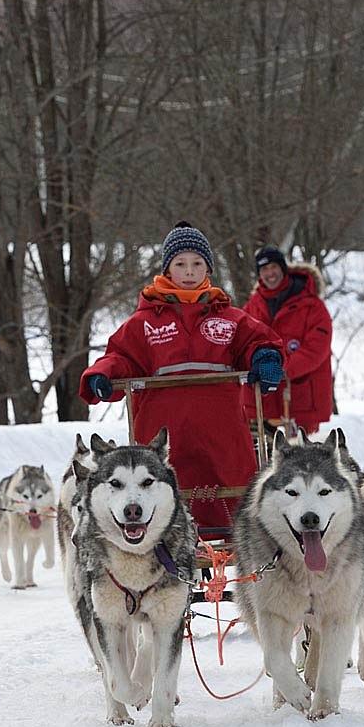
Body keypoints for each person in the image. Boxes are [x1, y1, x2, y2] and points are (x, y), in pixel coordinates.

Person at [79, 222, 284, 530]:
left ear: (208, 269)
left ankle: (240, 542)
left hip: (220, 431)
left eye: (197, 264)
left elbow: (258, 341)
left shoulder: (229, 318)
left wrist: (265, 358)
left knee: (232, 487)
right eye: (181, 264)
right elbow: (120, 357)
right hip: (165, 432)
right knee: (164, 486)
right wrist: (103, 375)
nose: (189, 271)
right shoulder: (144, 323)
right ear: (167, 270)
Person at [240, 246, 333, 435]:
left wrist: (282, 368)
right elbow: (241, 344)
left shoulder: (312, 305)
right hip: (262, 403)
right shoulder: (252, 307)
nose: (269, 273)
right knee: (264, 458)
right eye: (264, 269)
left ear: (283, 268)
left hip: (300, 399)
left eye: (273, 267)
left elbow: (317, 348)